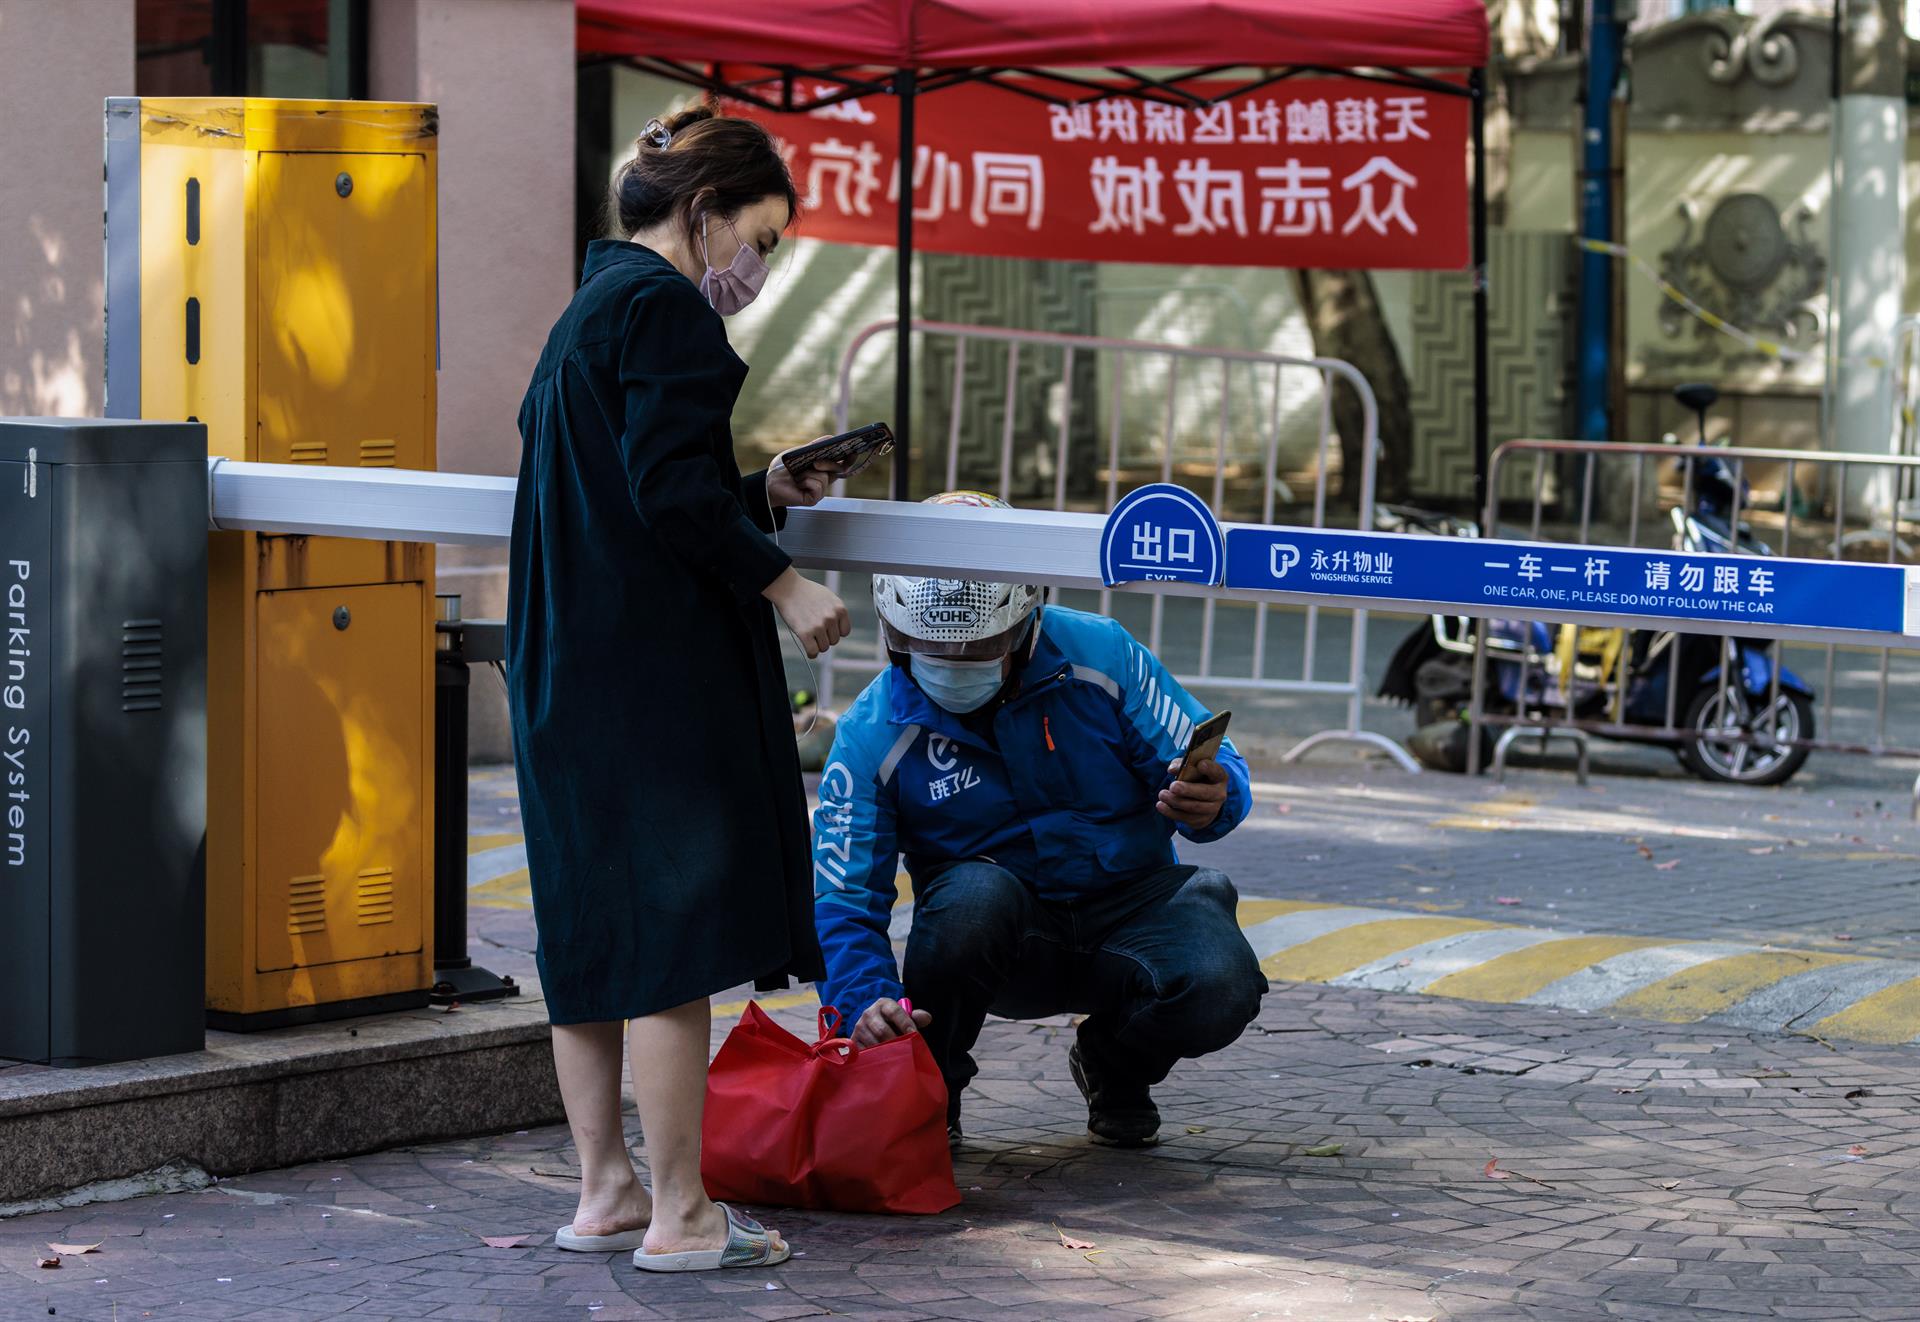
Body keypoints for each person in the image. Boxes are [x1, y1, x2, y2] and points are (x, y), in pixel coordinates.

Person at [508, 108, 849, 1273]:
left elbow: (633, 487)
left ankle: (605, 1189)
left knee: (593, 937)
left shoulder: (587, 312)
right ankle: (683, 1213)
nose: (757, 270)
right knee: (667, 945)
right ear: (701, 213)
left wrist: (756, 487)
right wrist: (787, 584)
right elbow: (667, 495)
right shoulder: (666, 313)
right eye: (758, 239)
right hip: (648, 677)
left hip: (566, 669)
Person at [811, 493, 1269, 1149]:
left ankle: (1114, 1066)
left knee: (1222, 983)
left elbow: (1202, 756)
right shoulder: (869, 734)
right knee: (973, 896)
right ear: (893, 635)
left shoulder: (1103, 654)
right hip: (993, 937)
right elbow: (842, 896)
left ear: (1029, 621)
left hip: (1131, 907)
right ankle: (927, 1093)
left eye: (982, 651)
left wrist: (1215, 796)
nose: (954, 668)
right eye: (932, 653)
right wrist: (863, 1004)